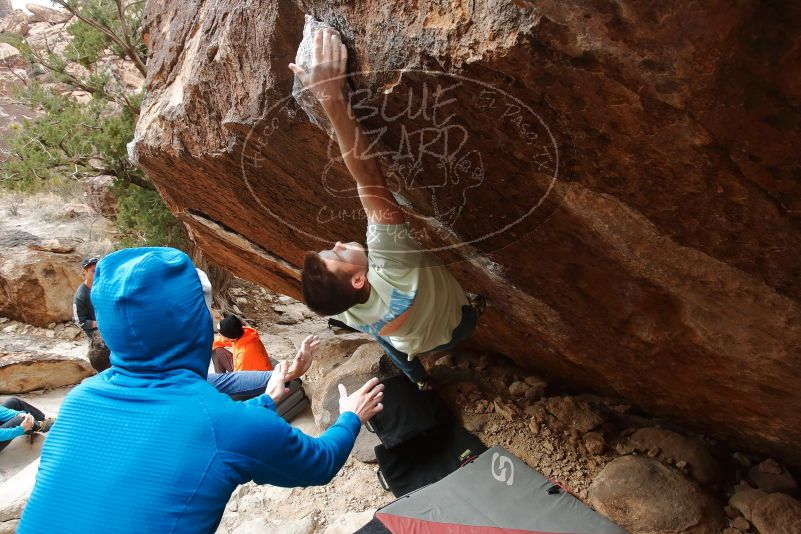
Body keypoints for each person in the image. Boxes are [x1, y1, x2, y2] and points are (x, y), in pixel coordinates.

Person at [19, 247, 384, 533]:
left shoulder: (80, 399)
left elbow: (198, 425)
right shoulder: (220, 421)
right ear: (195, 321)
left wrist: (266, 400)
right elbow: (319, 463)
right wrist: (351, 415)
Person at [290, 29, 485, 390]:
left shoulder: (344, 303)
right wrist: (330, 97)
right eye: (336, 254)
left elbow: (328, 291)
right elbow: (369, 177)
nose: (336, 243)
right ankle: (452, 327)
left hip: (417, 340)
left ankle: (418, 378)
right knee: (391, 334)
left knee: (385, 338)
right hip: (460, 322)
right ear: (359, 279)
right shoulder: (393, 266)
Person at [73, 256, 111, 372]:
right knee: (101, 362)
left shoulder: (103, 287)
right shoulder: (80, 296)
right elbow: (80, 322)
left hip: (109, 330)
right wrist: (100, 323)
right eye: (94, 271)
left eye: (99, 271)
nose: (97, 274)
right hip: (95, 336)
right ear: (85, 272)